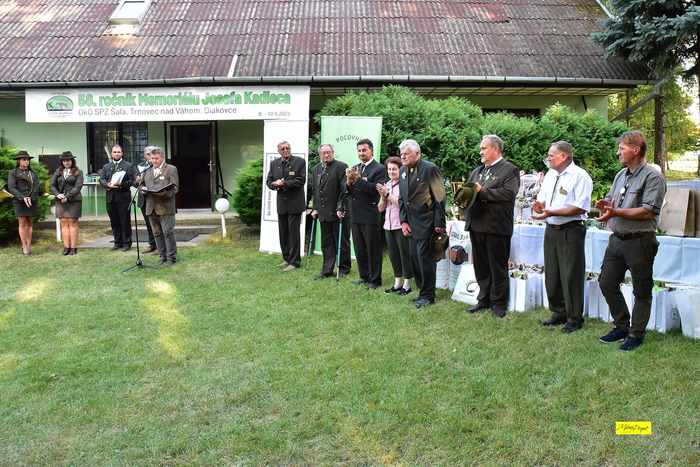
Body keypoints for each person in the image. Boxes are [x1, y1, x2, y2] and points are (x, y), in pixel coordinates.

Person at [595, 130, 667, 351]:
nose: (618, 152)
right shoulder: (621, 174)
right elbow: (613, 201)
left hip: (640, 241)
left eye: (622, 148)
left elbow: (648, 211)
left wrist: (615, 212)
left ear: (636, 150)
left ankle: (636, 334)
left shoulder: (653, 176)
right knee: (606, 282)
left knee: (641, 290)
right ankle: (622, 326)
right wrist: (606, 206)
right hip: (617, 240)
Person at [532, 141, 592, 333]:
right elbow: (543, 199)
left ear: (564, 156)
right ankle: (558, 312)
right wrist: (539, 207)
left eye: (551, 155)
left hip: (570, 229)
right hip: (551, 229)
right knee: (552, 273)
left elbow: (580, 207)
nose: (548, 158)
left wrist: (550, 212)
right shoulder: (550, 174)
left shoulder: (580, 176)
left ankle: (574, 318)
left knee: (571, 275)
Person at [463, 135, 520, 318]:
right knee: (481, 266)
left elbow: (508, 194)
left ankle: (499, 303)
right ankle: (483, 299)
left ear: (496, 149)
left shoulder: (509, 169)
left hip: (496, 226)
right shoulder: (477, 171)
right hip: (476, 224)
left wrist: (482, 191)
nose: (480, 152)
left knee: (497, 267)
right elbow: (469, 192)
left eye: (484, 148)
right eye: (481, 148)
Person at [398, 140, 446, 308]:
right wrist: (403, 221)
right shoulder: (402, 170)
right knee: (414, 259)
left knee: (425, 260)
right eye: (401, 153)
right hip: (411, 224)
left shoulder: (430, 168)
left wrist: (439, 223)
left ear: (417, 154)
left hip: (427, 223)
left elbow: (440, 197)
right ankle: (421, 291)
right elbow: (402, 199)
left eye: (406, 153)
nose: (403, 156)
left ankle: (428, 296)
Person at [346, 138, 388, 289]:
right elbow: (349, 191)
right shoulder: (355, 168)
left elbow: (376, 190)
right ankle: (364, 277)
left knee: (373, 249)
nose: (361, 153)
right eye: (359, 150)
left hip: (371, 215)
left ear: (371, 150)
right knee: (359, 249)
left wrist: (358, 181)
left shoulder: (379, 169)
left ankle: (375, 280)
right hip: (355, 214)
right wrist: (348, 182)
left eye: (364, 150)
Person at [307, 143, 351, 279]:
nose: (326, 155)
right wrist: (315, 208)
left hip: (338, 212)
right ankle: (327, 269)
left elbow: (344, 190)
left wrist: (340, 207)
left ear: (333, 153)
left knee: (341, 241)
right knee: (326, 242)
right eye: (323, 153)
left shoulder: (341, 167)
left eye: (328, 152)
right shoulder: (316, 169)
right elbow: (315, 190)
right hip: (323, 212)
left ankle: (343, 268)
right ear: (319, 155)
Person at [266, 141, 306, 271]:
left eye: (287, 148)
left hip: (295, 203)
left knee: (293, 234)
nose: (285, 150)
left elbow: (301, 180)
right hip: (282, 204)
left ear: (290, 149)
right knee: (283, 233)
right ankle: (287, 258)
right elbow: (269, 181)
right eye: (282, 149)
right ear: (278, 151)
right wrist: (274, 184)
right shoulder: (274, 164)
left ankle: (295, 262)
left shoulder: (299, 162)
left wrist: (283, 183)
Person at [378, 156, 413, 295]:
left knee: (404, 255)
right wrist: (383, 196)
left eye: (394, 169)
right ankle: (397, 282)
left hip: (400, 225)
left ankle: (407, 284)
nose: (391, 171)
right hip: (388, 225)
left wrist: (388, 195)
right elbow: (380, 208)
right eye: (389, 169)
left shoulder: (405, 185)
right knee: (393, 255)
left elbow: (402, 204)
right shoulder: (386, 184)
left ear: (400, 170)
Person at [142, 147, 179, 265]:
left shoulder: (171, 169)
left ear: (162, 157)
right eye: (152, 158)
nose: (154, 161)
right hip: (151, 207)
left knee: (168, 232)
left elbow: (175, 188)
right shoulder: (147, 171)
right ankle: (162, 257)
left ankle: (171, 258)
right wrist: (142, 189)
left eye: (156, 158)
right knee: (157, 233)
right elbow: (141, 184)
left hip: (166, 206)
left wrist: (163, 193)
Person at [6, 150, 41, 255]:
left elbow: (37, 187)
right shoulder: (13, 172)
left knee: (29, 223)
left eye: (27, 160)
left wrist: (31, 197)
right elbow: (12, 187)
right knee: (22, 223)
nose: (26, 161)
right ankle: (24, 246)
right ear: (19, 161)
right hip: (19, 201)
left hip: (31, 201)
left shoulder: (33, 173)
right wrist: (22, 197)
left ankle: (29, 245)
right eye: (24, 159)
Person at [99, 144, 133, 251]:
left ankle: (126, 243)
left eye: (118, 152)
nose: (116, 154)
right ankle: (117, 242)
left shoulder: (128, 166)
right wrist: (107, 185)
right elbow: (101, 179)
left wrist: (121, 184)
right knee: (114, 221)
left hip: (123, 198)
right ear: (111, 153)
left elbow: (132, 180)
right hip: (110, 198)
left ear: (122, 153)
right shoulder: (106, 166)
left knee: (124, 221)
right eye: (114, 152)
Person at [50, 151, 84, 255]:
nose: (66, 162)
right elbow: (52, 185)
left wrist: (67, 197)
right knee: (63, 223)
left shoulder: (78, 172)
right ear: (62, 162)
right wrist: (57, 194)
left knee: (72, 222)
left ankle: (73, 248)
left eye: (68, 160)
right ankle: (66, 247)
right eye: (64, 161)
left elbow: (78, 187)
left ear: (72, 161)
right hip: (60, 200)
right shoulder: (58, 171)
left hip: (74, 200)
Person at [133, 145, 157, 253]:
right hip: (143, 199)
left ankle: (160, 246)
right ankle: (152, 244)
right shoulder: (140, 166)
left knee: (157, 223)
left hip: (155, 199)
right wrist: (138, 182)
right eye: (148, 154)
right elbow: (134, 182)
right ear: (144, 155)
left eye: (152, 153)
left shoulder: (158, 166)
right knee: (148, 223)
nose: (150, 156)